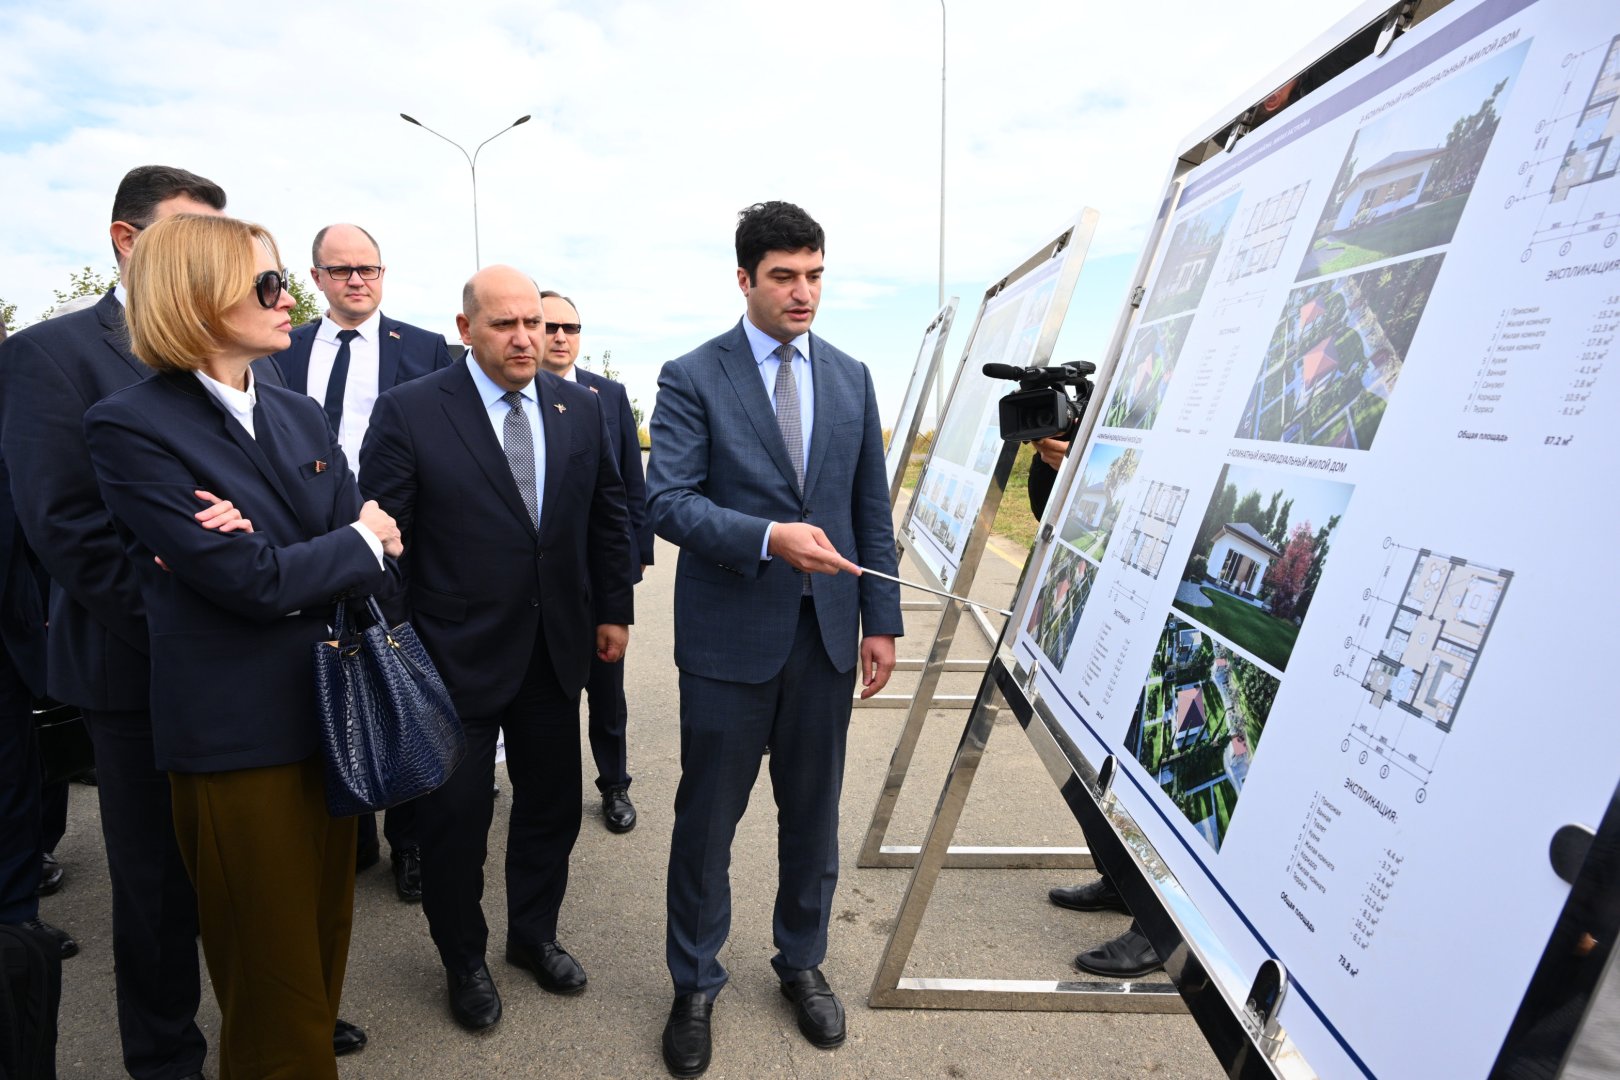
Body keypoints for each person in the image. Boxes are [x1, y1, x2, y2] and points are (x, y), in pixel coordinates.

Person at [0, 164, 311, 1080]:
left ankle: (277, 1011)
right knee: (158, 887)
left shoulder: (261, 364)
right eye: (191, 240)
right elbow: (68, 532)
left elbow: (291, 513)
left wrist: (259, 580)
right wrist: (205, 620)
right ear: (129, 243)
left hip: (260, 662)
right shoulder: (50, 355)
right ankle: (164, 1052)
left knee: (260, 870)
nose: (218, 265)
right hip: (139, 670)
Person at [83, 213, 402, 1079]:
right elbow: (258, 579)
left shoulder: (298, 413)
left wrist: (279, 545)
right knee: (272, 984)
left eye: (281, 281)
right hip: (235, 738)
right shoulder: (131, 424)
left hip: (330, 714)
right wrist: (341, 543)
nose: (288, 296)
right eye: (265, 284)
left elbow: (332, 561)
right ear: (195, 296)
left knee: (323, 950)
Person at [646, 200, 902, 1078]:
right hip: (729, 638)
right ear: (746, 279)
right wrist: (767, 536)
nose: (803, 292)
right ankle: (694, 981)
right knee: (707, 819)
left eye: (816, 274)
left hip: (827, 637)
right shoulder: (692, 375)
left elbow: (870, 504)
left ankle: (801, 960)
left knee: (813, 815)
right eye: (785, 276)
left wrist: (883, 621)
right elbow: (668, 500)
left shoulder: (852, 376)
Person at [359, 265, 634, 1033]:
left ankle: (532, 937)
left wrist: (615, 609)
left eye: (536, 325)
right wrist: (404, 643)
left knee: (551, 807)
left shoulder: (577, 407)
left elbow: (608, 517)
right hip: (451, 661)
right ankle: (465, 959)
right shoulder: (412, 411)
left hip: (555, 653)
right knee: (455, 822)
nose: (526, 338)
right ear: (465, 328)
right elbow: (386, 543)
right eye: (506, 324)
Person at [269, 221, 452, 900]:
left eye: (368, 269)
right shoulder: (279, 350)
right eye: (341, 270)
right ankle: (348, 832)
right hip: (305, 548)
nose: (356, 280)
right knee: (322, 683)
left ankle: (410, 842)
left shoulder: (430, 350)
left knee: (399, 684)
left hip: (397, 549)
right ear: (314, 279)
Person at [537, 289, 653, 834]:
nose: (561, 337)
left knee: (605, 691)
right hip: (532, 581)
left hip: (594, 579)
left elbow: (632, 485)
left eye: (572, 327)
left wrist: (630, 565)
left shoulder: (608, 395)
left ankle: (614, 786)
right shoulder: (504, 396)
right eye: (550, 325)